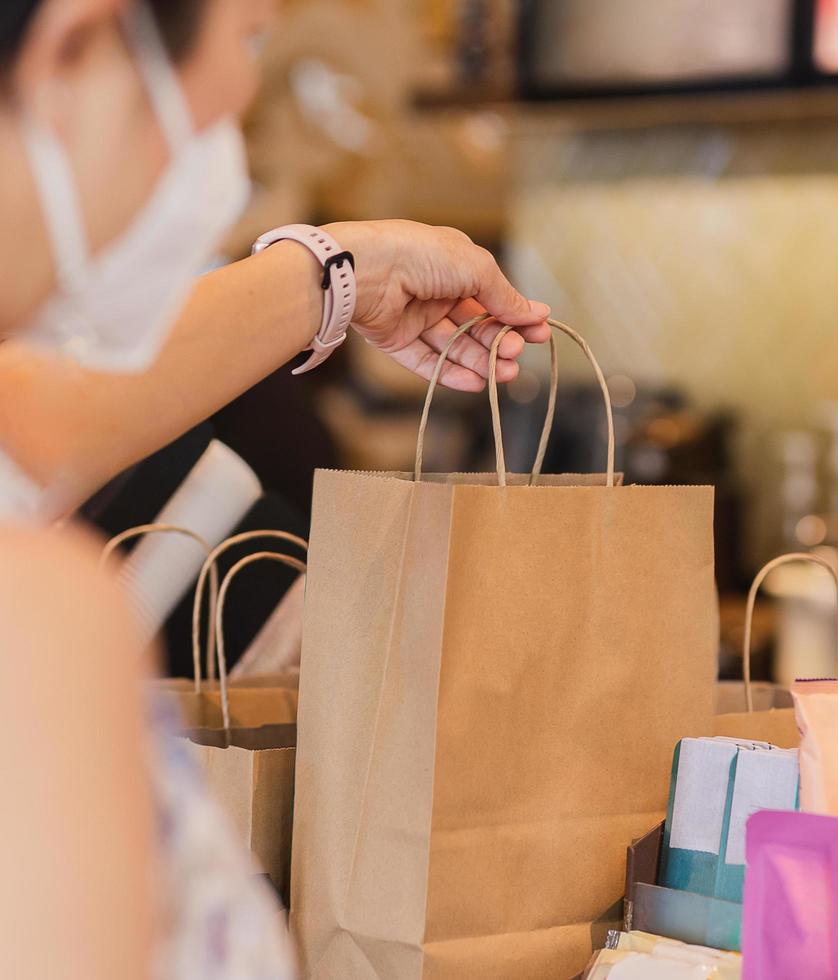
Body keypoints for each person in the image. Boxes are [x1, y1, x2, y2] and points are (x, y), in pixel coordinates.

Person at [0, 0, 551, 975]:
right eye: (249, 38)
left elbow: (50, 408)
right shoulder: (38, 620)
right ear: (79, 46)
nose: (248, 90)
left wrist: (340, 271)